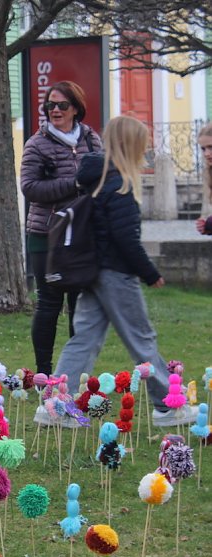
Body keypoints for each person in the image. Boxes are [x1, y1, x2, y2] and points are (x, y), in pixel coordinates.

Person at [51, 116, 197, 428]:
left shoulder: (98, 182)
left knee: (84, 338)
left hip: (93, 273)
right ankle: (167, 407)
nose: (147, 150)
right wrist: (150, 272)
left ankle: (57, 404)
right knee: (141, 339)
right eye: (143, 145)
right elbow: (126, 240)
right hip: (117, 274)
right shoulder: (120, 186)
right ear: (132, 147)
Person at [20, 80, 102, 375]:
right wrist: (75, 184)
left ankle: (76, 372)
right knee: (49, 302)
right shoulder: (37, 144)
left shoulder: (91, 139)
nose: (55, 110)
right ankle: (44, 372)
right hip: (46, 234)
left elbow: (103, 177)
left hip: (81, 234)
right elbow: (30, 188)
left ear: (76, 108)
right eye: (50, 105)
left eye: (61, 105)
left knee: (80, 304)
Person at [194, 123, 212, 236]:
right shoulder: (209, 172)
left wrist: (209, 223)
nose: (206, 153)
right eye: (203, 149)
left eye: (211, 147)